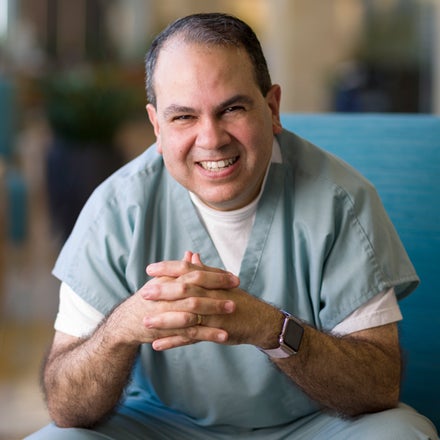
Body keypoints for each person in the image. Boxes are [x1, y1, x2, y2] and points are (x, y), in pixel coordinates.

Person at [28, 12, 437, 440]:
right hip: (161, 426)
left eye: (232, 109)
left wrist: (270, 329)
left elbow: (378, 387)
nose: (211, 138)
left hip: (313, 427)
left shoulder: (340, 200)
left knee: (404, 432)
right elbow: (65, 405)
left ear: (273, 107)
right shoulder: (116, 208)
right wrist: (120, 329)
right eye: (183, 117)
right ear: (157, 126)